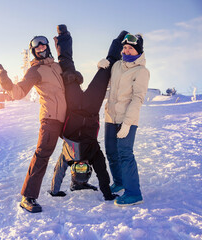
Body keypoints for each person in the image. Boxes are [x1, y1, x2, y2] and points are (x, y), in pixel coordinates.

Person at [49, 25, 126, 201]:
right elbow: (103, 172)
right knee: (106, 70)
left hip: (74, 105)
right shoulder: (94, 154)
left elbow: (58, 172)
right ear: (89, 169)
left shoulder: (67, 156)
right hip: (91, 107)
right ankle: (120, 40)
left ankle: (63, 36)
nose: (81, 165)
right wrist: (107, 194)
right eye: (85, 169)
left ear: (73, 169)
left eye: (78, 169)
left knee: (67, 67)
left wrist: (54, 191)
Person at [0, 35, 67, 213]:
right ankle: (28, 197)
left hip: (67, 117)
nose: (41, 47)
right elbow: (19, 93)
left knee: (80, 147)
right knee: (42, 155)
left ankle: (79, 181)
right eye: (36, 46)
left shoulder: (58, 66)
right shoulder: (34, 71)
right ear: (33, 51)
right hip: (50, 118)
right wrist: (7, 84)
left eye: (43, 44)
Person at [103, 33, 150, 206]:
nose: (126, 50)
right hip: (110, 117)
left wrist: (127, 123)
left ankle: (133, 193)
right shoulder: (116, 66)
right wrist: (102, 66)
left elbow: (138, 98)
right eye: (124, 47)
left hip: (127, 119)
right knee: (111, 153)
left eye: (130, 48)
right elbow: (106, 84)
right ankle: (120, 181)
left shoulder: (142, 71)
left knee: (125, 154)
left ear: (137, 50)